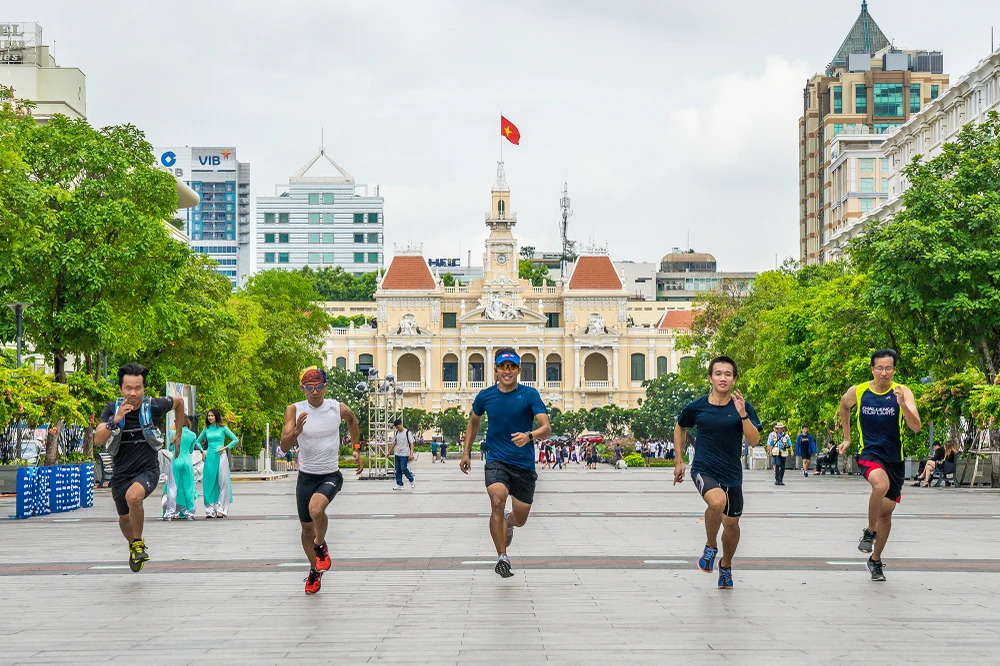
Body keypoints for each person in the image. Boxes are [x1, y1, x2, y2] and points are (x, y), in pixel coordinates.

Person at [461, 348, 550, 578]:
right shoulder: (485, 396)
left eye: (512, 367)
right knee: (497, 501)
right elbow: (474, 423)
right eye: (503, 366)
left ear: (519, 370)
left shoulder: (529, 395)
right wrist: (466, 453)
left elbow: (546, 428)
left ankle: (509, 523)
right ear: (496, 369)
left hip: (523, 466)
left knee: (520, 519)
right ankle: (502, 556)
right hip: (496, 460)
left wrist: (529, 436)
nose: (507, 371)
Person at [674, 356, 761, 590]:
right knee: (717, 502)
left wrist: (743, 414)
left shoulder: (742, 406)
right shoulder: (698, 406)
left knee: (732, 525)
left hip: (732, 473)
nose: (723, 378)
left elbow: (754, 441)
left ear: (734, 379)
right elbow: (681, 426)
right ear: (711, 377)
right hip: (704, 468)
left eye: (728, 374)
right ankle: (710, 546)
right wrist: (679, 460)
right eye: (718, 373)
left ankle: (726, 565)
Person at [839, 348, 922, 582]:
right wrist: (847, 438)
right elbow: (844, 406)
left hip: (895, 459)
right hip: (870, 453)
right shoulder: (859, 391)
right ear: (872, 369)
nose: (884, 373)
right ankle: (869, 531)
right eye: (879, 368)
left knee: (886, 514)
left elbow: (916, 426)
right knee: (879, 485)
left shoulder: (903, 391)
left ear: (894, 370)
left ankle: (875, 560)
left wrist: (903, 405)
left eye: (888, 368)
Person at [94, 362, 185, 572]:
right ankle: (134, 544)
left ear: (144, 388)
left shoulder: (153, 406)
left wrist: (178, 433)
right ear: (120, 388)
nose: (133, 393)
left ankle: (137, 543)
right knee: (124, 518)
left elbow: (179, 403)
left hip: (148, 470)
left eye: (138, 388)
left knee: (133, 497)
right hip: (121, 473)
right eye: (128, 388)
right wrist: (115, 420)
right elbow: (99, 440)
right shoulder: (111, 409)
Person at [280, 366, 362, 594]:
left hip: (330, 474)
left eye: (319, 387)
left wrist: (356, 448)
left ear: (325, 387)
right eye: (309, 388)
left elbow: (352, 419)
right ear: (302, 388)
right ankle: (314, 570)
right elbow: (283, 445)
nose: (314, 392)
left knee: (316, 509)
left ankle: (321, 546)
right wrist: (296, 431)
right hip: (306, 477)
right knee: (306, 529)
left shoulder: (336, 408)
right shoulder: (294, 410)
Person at [197, 408, 239, 518]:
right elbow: (197, 441)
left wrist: (225, 447)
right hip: (210, 456)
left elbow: (235, 440)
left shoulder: (223, 428)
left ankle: (221, 509)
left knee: (223, 482)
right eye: (208, 416)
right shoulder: (206, 429)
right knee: (209, 482)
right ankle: (210, 510)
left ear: (216, 416)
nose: (210, 417)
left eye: (212, 415)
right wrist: (203, 451)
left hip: (221, 457)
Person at [163, 417, 202, 520]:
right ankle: (190, 512)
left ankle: (170, 513)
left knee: (172, 488)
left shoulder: (173, 433)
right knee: (188, 487)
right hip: (187, 462)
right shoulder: (192, 435)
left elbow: (170, 448)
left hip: (176, 461)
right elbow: (190, 450)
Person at [391, 418, 415, 490]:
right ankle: (399, 484)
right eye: (396, 427)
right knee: (397, 469)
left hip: (404, 454)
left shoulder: (407, 432)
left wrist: (411, 453)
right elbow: (394, 443)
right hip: (397, 454)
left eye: (398, 427)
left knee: (403, 468)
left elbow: (411, 443)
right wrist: (389, 452)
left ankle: (411, 479)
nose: (397, 428)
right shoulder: (397, 433)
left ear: (401, 424)